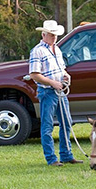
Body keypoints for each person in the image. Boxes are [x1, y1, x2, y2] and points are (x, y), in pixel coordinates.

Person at [29, 20, 83, 166]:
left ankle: (66, 155)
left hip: (59, 91)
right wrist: (53, 83)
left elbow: (61, 69)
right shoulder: (37, 51)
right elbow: (34, 74)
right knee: (47, 126)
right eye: (51, 35)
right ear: (43, 34)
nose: (54, 37)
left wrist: (66, 76)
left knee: (66, 123)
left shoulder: (57, 50)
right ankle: (51, 158)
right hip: (47, 92)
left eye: (55, 35)